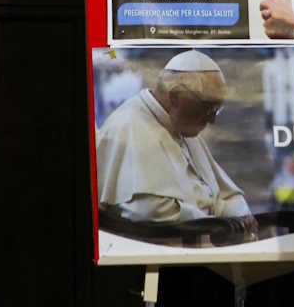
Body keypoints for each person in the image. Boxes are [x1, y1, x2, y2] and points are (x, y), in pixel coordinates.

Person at [96, 50, 256, 232]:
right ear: (174, 97)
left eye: (217, 109)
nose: (212, 120)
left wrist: (238, 212)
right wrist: (217, 221)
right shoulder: (128, 127)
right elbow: (150, 211)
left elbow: (223, 193)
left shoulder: (183, 126)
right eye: (208, 107)